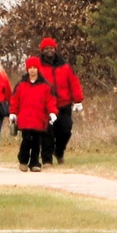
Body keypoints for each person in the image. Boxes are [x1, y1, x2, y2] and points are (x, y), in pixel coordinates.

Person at [37, 37, 85, 165]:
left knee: (65, 130)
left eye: (51, 48)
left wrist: (78, 100)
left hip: (64, 104)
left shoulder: (65, 66)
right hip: (45, 106)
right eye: (46, 48)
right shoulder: (37, 67)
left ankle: (59, 152)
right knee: (47, 133)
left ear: (55, 49)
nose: (49, 50)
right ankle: (47, 159)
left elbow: (73, 83)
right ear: (42, 50)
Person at [9, 56, 58, 172]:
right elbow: (15, 100)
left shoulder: (45, 85)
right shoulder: (21, 84)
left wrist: (52, 112)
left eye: (34, 67)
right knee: (26, 140)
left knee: (36, 142)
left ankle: (34, 163)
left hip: (39, 119)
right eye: (30, 67)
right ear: (27, 69)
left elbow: (50, 101)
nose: (32, 70)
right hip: (25, 119)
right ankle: (23, 161)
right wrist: (13, 113)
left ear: (38, 69)